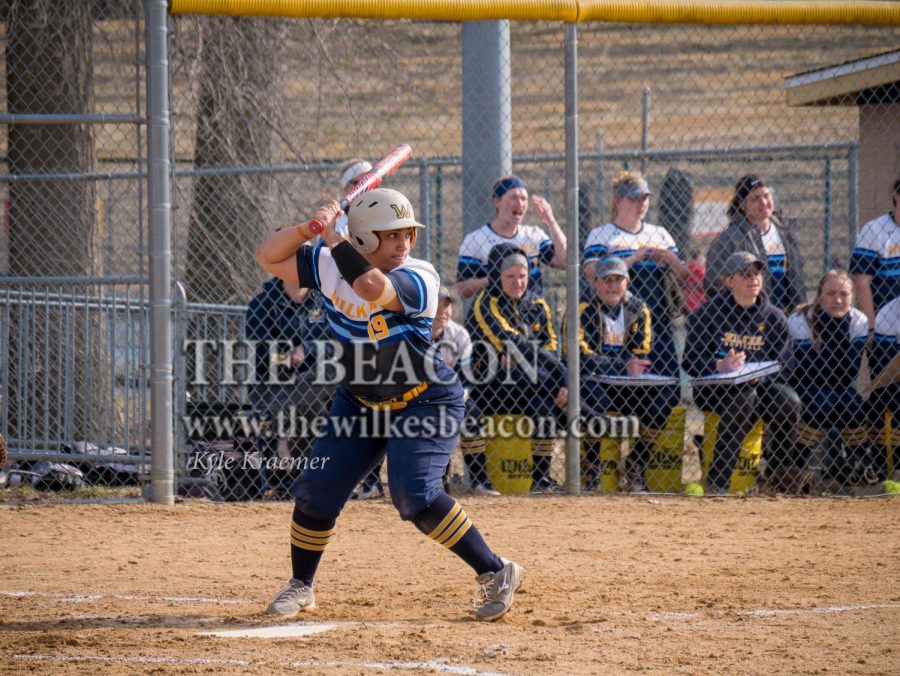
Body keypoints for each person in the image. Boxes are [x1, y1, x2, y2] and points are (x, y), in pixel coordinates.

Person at [254, 188, 523, 621]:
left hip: (425, 399)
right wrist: (309, 229)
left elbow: (370, 286)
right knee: (315, 493)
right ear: (363, 238)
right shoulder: (328, 264)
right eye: (390, 235)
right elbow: (267, 256)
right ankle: (301, 585)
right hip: (360, 400)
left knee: (413, 495)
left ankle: (496, 570)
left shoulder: (419, 276)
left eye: (407, 234)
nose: (403, 244)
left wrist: (333, 239)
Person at [683, 251, 802, 493]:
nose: (753, 278)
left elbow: (786, 364)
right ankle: (718, 481)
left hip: (761, 386)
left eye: (757, 272)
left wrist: (763, 376)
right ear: (729, 281)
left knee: (789, 401)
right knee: (744, 400)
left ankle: (778, 476)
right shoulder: (708, 313)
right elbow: (689, 360)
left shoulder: (774, 317)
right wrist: (718, 366)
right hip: (717, 388)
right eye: (745, 273)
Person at [583, 171, 686, 426]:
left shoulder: (659, 233)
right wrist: (632, 260)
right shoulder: (603, 234)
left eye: (645, 198)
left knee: (669, 389)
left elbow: (684, 276)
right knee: (614, 390)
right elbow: (592, 274)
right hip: (619, 324)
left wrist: (670, 260)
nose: (641, 204)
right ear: (618, 201)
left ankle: (638, 458)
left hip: (658, 323)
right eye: (634, 199)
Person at [466, 243, 568, 492]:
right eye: (510, 277)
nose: (517, 283)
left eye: (522, 276)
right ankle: (480, 480)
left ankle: (540, 480)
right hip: (489, 386)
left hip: (533, 385)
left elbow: (552, 346)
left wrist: (527, 357)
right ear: (496, 276)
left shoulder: (538, 304)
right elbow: (511, 342)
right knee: (535, 379)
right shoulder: (485, 303)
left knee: (543, 406)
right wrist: (561, 377)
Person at [565, 256, 671, 491]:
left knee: (663, 402)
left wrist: (624, 366)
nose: (613, 286)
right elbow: (579, 357)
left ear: (628, 282)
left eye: (618, 280)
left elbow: (640, 354)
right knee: (594, 397)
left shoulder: (638, 309)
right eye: (607, 280)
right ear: (595, 282)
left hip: (627, 384)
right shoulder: (581, 307)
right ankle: (592, 467)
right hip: (592, 381)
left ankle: (636, 463)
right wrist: (621, 365)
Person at [244, 276, 334, 498]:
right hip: (274, 385)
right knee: (309, 404)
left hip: (316, 382)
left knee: (337, 377)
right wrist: (286, 356)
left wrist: (308, 349)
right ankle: (301, 478)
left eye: (307, 261)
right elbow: (261, 350)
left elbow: (337, 345)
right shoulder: (262, 304)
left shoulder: (324, 302)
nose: (303, 268)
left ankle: (311, 478)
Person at [786, 270, 871, 486]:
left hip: (838, 386)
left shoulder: (858, 320)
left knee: (851, 402)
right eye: (831, 294)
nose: (838, 300)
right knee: (824, 400)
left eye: (844, 294)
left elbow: (847, 372)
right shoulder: (800, 319)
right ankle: (796, 466)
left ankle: (860, 466)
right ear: (819, 295)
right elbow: (808, 371)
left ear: (853, 296)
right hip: (802, 385)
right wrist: (828, 326)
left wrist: (838, 327)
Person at [431, 286, 499, 496]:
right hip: (420, 396)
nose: (443, 311)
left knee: (471, 414)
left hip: (453, 395)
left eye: (447, 305)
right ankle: (438, 482)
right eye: (438, 305)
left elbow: (467, 378)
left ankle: (479, 481)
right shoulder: (416, 332)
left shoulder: (459, 335)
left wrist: (454, 398)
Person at [705, 174, 805, 314]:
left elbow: (795, 278)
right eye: (755, 199)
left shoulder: (785, 232)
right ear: (742, 205)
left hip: (788, 316)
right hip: (750, 319)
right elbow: (714, 285)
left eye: (766, 195)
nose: (763, 203)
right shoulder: (728, 240)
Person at [457, 175, 566, 298]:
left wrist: (551, 221)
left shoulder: (534, 235)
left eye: (524, 198)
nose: (520, 203)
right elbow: (462, 289)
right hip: (493, 311)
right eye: (513, 198)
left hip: (531, 311)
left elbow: (565, 261)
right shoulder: (476, 239)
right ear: (496, 201)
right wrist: (495, 278)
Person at [850, 176, 900, 328]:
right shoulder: (874, 229)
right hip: (886, 327)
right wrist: (871, 326)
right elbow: (861, 282)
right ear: (896, 195)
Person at [865, 294, 900, 484]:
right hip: (894, 384)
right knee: (885, 399)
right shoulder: (889, 313)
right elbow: (884, 367)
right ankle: (893, 471)